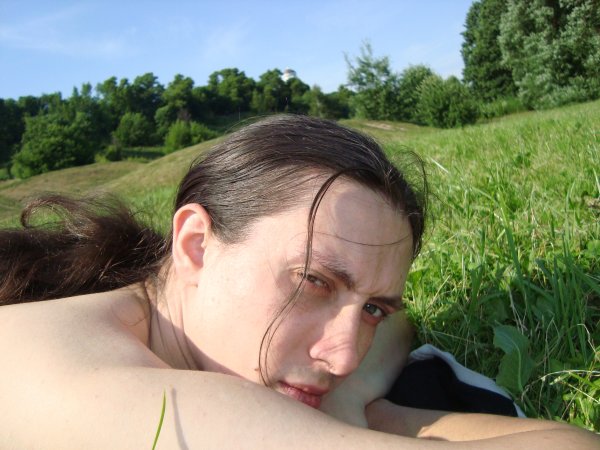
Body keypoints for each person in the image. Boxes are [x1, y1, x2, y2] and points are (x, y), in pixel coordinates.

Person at [0, 115, 596, 448]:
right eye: (313, 281)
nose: (344, 357)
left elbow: (398, 329)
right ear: (196, 245)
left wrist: (346, 399)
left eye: (372, 308)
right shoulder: (96, 389)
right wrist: (363, 414)